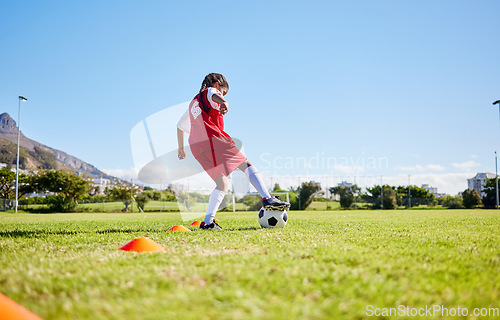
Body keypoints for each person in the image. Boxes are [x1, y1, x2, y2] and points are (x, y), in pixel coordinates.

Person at [177, 73, 289, 229]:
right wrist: (224, 102)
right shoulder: (210, 91)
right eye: (223, 91)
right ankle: (267, 198)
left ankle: (208, 222)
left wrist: (181, 148)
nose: (221, 94)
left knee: (221, 183)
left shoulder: (193, 104)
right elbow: (213, 94)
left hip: (197, 147)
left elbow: (180, 126)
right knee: (246, 164)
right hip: (212, 139)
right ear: (217, 85)